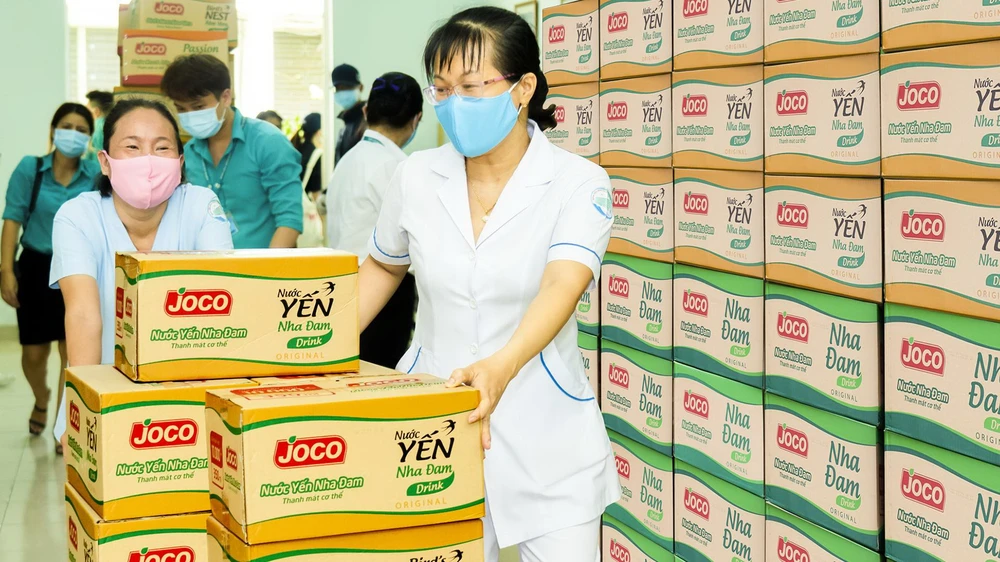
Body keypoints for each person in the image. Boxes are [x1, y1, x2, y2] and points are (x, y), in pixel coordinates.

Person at [359, 7, 618, 561]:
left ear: (523, 88)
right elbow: (383, 266)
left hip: (546, 434)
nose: (454, 103)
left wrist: (501, 367)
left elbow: (562, 285)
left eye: (472, 87)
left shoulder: (578, 183)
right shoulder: (416, 175)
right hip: (432, 429)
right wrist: (307, 352)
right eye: (441, 89)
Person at [50, 98, 234, 449]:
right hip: (103, 396)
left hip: (192, 404)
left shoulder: (200, 205)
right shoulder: (77, 216)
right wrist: (87, 412)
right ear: (105, 161)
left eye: (162, 148)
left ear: (180, 162)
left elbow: (220, 295)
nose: (148, 160)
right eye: (132, 147)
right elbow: (84, 315)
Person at [1, 102, 99, 441]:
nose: (73, 134)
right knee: (33, 354)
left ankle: (63, 428)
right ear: (54, 130)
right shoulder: (31, 169)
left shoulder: (95, 175)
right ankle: (41, 397)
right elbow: (12, 219)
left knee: (72, 352)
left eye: (81, 130)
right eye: (67, 127)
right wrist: (6, 270)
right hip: (35, 265)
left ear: (89, 138)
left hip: (79, 269)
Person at [328, 71, 422, 368]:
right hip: (383, 293)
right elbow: (416, 242)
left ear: (367, 111)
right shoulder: (396, 168)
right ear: (417, 119)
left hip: (342, 286)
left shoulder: (348, 159)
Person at [161, 54, 303, 249]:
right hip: (206, 264)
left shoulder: (268, 142)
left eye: (198, 106)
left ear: (226, 97)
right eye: (181, 109)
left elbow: (289, 220)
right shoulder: (188, 154)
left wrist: (267, 266)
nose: (190, 115)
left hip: (261, 262)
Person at [332, 63, 367, 164]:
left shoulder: (367, 121)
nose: (342, 92)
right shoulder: (346, 122)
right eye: (338, 88)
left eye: (347, 87)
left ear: (361, 88)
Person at [292, 112, 322, 200]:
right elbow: (316, 194)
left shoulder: (295, 149)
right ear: (319, 132)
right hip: (306, 206)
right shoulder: (317, 155)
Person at [86, 90, 114, 158]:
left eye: (87, 111)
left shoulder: (96, 129)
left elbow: (96, 160)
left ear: (96, 111)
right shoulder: (114, 126)